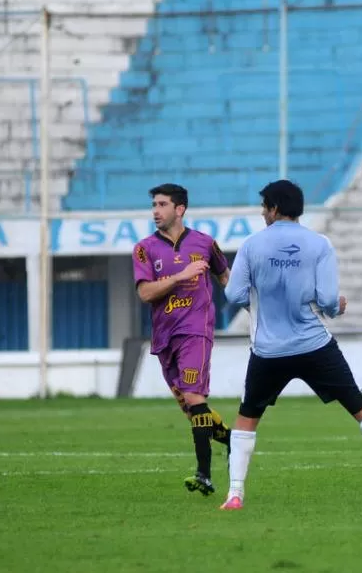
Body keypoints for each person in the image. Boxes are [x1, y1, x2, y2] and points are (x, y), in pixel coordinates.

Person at [220, 179, 362, 510]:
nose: (262, 214)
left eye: (263, 208)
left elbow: (233, 294)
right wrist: (334, 307)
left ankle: (235, 494)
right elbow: (328, 300)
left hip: (269, 350)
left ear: (273, 209)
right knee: (361, 407)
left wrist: (260, 301)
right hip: (314, 344)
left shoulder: (252, 245)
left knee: (247, 417)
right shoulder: (319, 243)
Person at [132, 183, 232, 496]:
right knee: (193, 412)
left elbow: (227, 278)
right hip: (164, 338)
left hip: (197, 330)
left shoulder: (205, 243)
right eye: (153, 205)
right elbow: (145, 293)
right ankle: (233, 440)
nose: (155, 211)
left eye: (161, 205)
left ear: (180, 209)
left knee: (194, 398)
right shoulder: (144, 248)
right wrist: (180, 275)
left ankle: (204, 474)